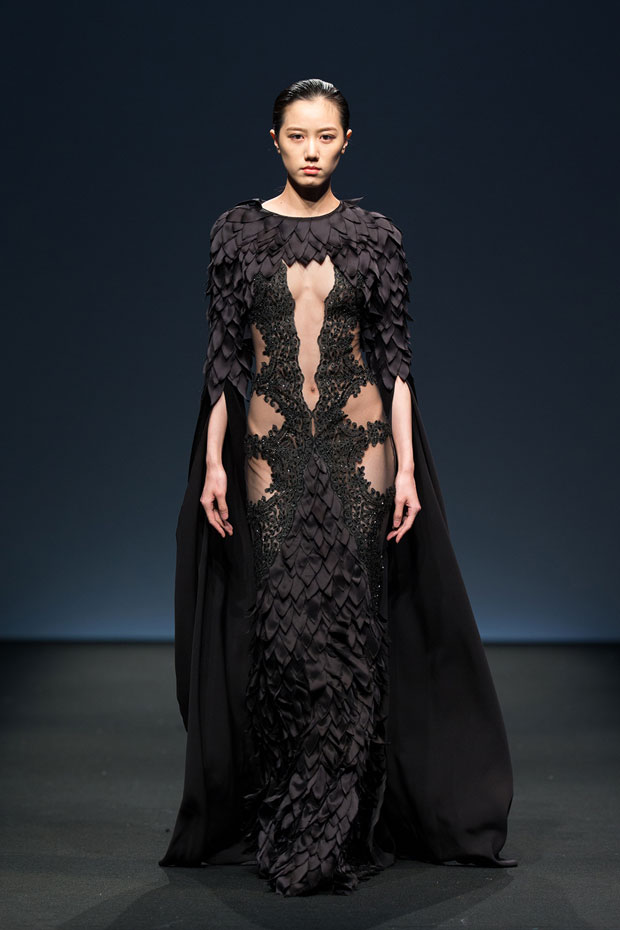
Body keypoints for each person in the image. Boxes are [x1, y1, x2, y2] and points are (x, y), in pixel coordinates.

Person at [159, 78, 517, 896]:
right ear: (274, 140)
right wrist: (212, 462)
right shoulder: (236, 234)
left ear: (346, 142)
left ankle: (341, 825)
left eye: (326, 136)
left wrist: (409, 467)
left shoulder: (375, 237)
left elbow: (395, 361)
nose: (312, 150)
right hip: (270, 452)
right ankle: (292, 811)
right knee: (284, 636)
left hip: (361, 452)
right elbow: (225, 359)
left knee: (350, 634)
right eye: (298, 135)